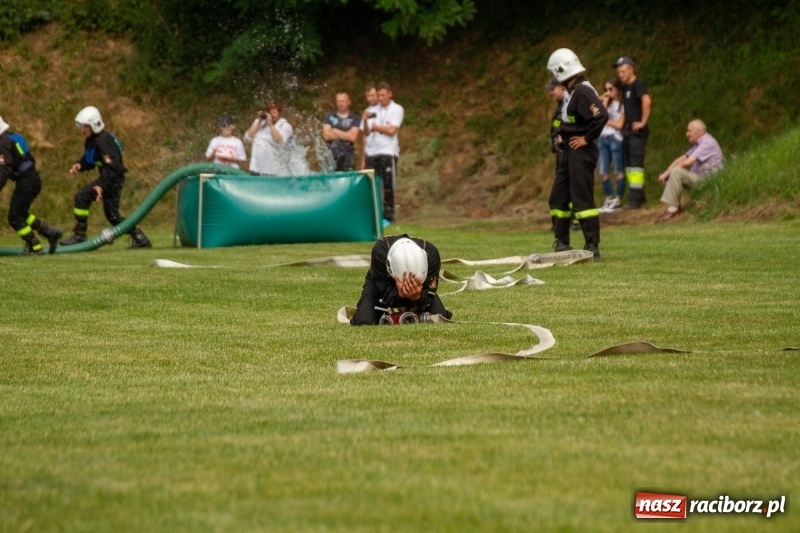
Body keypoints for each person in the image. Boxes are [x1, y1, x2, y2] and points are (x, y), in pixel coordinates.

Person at [546, 48, 608, 260]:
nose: (552, 79)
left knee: (582, 200)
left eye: (554, 73)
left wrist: (586, 138)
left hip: (581, 151)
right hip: (569, 151)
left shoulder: (582, 91)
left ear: (560, 70)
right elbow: (572, 120)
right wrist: (562, 135)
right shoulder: (572, 91)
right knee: (558, 197)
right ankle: (562, 243)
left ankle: (592, 246)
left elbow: (601, 116)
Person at [60, 106, 151, 248]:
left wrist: (101, 185)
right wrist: (80, 164)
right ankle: (140, 238)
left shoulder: (104, 141)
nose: (82, 130)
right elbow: (90, 159)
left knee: (82, 197)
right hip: (109, 179)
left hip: (112, 178)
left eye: (84, 126)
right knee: (113, 216)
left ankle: (80, 235)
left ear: (94, 125)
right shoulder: (92, 140)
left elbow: (113, 167)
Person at [350, 234, 452, 325]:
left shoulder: (432, 255)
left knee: (440, 317)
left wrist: (417, 296)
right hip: (383, 283)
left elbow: (429, 291)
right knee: (364, 320)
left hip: (420, 289)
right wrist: (399, 294)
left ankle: (414, 310)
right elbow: (383, 288)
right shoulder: (380, 251)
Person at [0, 116, 63, 254]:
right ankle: (50, 233)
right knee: (21, 214)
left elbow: (4, 169)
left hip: (26, 182)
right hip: (33, 179)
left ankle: (34, 247)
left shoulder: (3, 143)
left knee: (14, 218)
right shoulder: (13, 137)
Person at [657, 119, 724, 221]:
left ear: (699, 131)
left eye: (689, 131)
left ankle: (673, 209)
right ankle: (675, 207)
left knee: (676, 172)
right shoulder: (699, 144)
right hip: (700, 178)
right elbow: (682, 158)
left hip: (709, 181)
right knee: (673, 172)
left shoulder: (707, 143)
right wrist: (666, 173)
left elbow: (687, 162)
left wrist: (671, 171)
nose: (686, 134)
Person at [362, 82, 404, 225]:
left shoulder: (397, 109)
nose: (380, 98)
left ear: (389, 94)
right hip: (371, 152)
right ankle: (372, 215)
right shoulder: (371, 110)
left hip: (388, 151)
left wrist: (375, 126)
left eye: (382, 95)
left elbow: (392, 130)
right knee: (371, 185)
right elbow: (366, 132)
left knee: (388, 185)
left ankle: (388, 216)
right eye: (378, 95)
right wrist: (366, 122)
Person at [613, 56, 652, 209]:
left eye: (623, 71)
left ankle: (636, 200)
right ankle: (638, 195)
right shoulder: (625, 87)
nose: (621, 74)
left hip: (637, 132)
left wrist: (643, 121)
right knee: (629, 166)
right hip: (627, 131)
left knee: (636, 165)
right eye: (619, 72)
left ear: (631, 69)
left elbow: (647, 101)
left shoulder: (637, 84)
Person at [598, 77, 626, 212]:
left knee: (618, 171)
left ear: (618, 89)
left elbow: (619, 125)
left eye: (611, 89)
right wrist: (603, 98)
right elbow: (592, 106)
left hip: (615, 138)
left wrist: (605, 119)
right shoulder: (605, 102)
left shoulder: (621, 105)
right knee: (603, 172)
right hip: (603, 138)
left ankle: (618, 199)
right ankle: (608, 198)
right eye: (606, 89)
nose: (608, 92)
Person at [244, 102, 294, 176]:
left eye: (274, 112)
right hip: (256, 168)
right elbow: (248, 137)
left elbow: (279, 140)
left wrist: (270, 124)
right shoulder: (260, 122)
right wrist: (259, 121)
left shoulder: (285, 125)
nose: (272, 115)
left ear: (279, 113)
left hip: (273, 170)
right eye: (270, 112)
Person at [322, 92, 360, 172]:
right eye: (339, 101)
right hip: (331, 156)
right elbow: (326, 136)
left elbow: (353, 137)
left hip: (348, 156)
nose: (341, 104)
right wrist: (346, 134)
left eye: (343, 101)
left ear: (349, 102)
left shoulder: (354, 118)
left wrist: (335, 131)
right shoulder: (329, 116)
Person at [359, 83, 379, 171]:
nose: (370, 98)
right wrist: (363, 159)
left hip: (382, 150)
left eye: (372, 95)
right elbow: (364, 137)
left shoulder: (384, 109)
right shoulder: (366, 111)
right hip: (369, 152)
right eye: (367, 96)